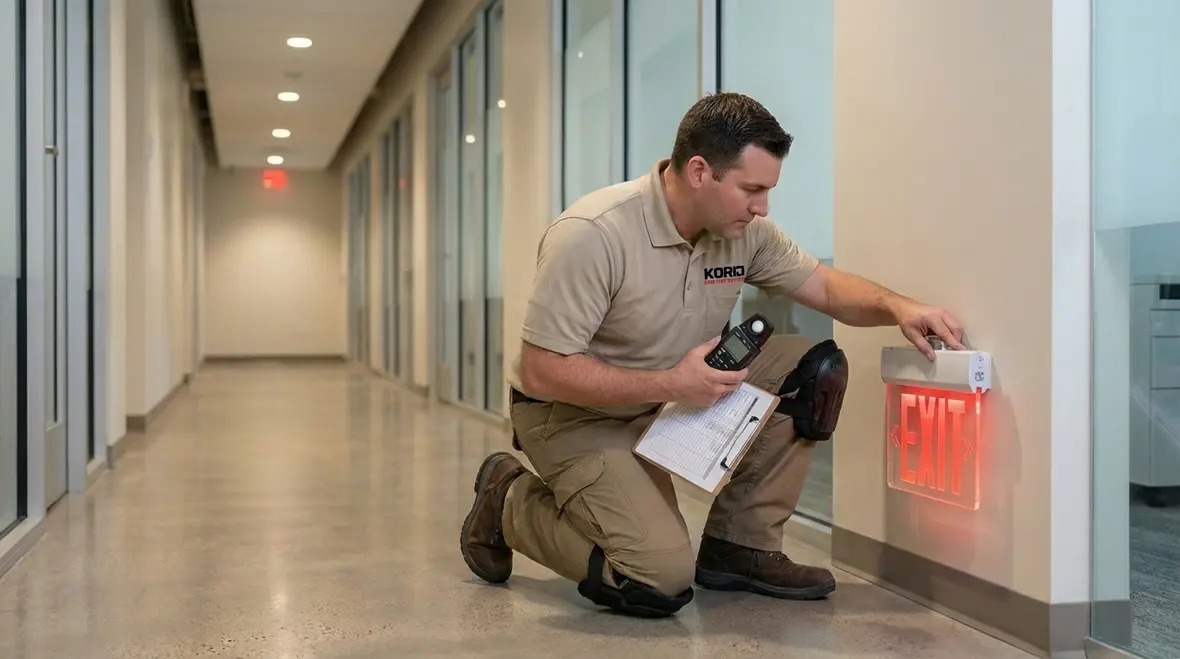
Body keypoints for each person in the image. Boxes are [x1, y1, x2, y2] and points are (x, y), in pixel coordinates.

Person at [459, 92, 965, 618]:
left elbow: (828, 289)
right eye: (752, 189)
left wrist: (899, 306)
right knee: (655, 581)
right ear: (700, 171)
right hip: (571, 415)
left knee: (811, 366)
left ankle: (740, 546)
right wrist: (669, 385)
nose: (762, 206)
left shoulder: (743, 234)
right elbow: (544, 372)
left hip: (674, 393)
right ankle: (508, 500)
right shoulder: (593, 235)